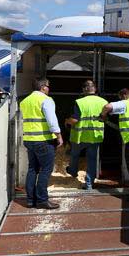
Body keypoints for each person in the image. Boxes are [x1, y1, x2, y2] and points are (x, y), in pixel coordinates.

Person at [19, 78, 62, 209]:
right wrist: (59, 135)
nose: (49, 89)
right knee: (46, 170)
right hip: (43, 140)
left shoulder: (25, 101)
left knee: (32, 169)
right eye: (48, 86)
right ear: (43, 87)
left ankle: (31, 200)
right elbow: (52, 120)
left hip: (29, 140)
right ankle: (42, 200)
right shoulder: (46, 100)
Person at [65, 80, 105, 189]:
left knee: (74, 155)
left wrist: (67, 121)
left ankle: (73, 172)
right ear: (95, 89)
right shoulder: (104, 102)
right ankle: (88, 184)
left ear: (84, 90)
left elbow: (75, 120)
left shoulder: (79, 102)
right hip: (95, 136)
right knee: (92, 160)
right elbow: (105, 118)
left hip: (80, 136)